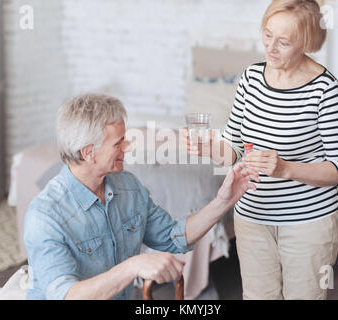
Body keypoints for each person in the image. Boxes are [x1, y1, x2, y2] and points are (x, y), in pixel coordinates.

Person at [184, 0, 338, 299]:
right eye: (267, 35)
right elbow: (234, 147)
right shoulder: (250, 79)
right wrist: (210, 148)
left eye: (283, 42)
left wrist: (285, 167)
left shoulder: (326, 91)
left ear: (306, 42)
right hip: (252, 217)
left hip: (308, 223)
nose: (270, 48)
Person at [23, 93, 260, 300]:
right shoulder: (45, 216)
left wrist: (224, 200)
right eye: (118, 142)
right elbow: (67, 296)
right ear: (89, 153)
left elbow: (173, 236)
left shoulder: (127, 186)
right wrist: (133, 266)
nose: (128, 147)